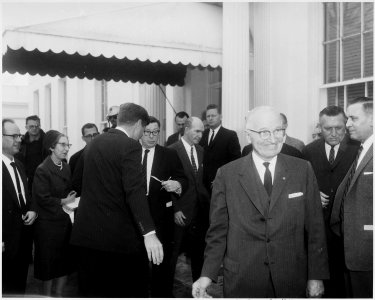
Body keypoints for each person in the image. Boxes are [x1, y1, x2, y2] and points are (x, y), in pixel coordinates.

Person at [193, 106, 329, 298]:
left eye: (278, 131)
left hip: (291, 278)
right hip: (243, 279)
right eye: (264, 132)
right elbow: (218, 231)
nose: (273, 139)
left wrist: (316, 276)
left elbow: (315, 228)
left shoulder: (302, 169)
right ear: (249, 135)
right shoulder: (227, 174)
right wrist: (207, 275)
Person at [70, 103, 163, 298]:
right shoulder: (130, 146)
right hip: (117, 244)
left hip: (86, 237)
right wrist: (149, 233)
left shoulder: (94, 142)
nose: (141, 136)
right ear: (138, 124)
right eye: (143, 131)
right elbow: (134, 191)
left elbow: (79, 182)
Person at [302, 106, 360, 297]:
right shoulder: (308, 151)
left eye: (339, 128)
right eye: (328, 129)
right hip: (319, 228)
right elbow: (299, 184)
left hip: (348, 228)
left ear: (346, 125)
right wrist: (311, 193)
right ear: (320, 127)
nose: (334, 133)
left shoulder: (358, 149)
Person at [140, 116, 188, 297]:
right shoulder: (130, 152)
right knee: (138, 267)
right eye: (148, 132)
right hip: (135, 219)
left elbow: (183, 178)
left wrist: (177, 184)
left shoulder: (168, 154)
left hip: (161, 219)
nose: (152, 136)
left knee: (162, 266)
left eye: (156, 132)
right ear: (140, 131)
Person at [330, 97, 373, 298]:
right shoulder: (361, 149)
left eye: (353, 119)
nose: (347, 125)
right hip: (352, 249)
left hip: (367, 253)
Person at [32, 130, 76, 297]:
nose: (66, 148)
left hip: (64, 223)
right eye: (62, 145)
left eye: (68, 145)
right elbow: (42, 198)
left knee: (63, 265)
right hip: (47, 227)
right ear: (51, 147)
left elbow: (67, 190)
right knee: (49, 269)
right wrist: (64, 201)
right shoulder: (42, 169)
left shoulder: (66, 166)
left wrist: (71, 198)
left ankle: (59, 296)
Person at [169, 117, 210, 283]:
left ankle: (198, 290)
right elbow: (167, 183)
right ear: (186, 129)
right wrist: (175, 209)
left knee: (199, 255)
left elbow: (200, 182)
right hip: (180, 213)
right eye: (197, 131)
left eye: (202, 132)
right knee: (173, 255)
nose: (200, 135)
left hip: (199, 213)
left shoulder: (201, 151)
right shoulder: (172, 150)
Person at [2, 118, 38, 296]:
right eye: (14, 135)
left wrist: (32, 209)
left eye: (19, 135)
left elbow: (26, 196)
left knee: (19, 288)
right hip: (5, 244)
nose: (19, 139)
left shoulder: (20, 165)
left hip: (23, 242)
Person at [199, 104, 241, 194]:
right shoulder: (202, 135)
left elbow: (236, 162)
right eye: (208, 116)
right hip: (203, 185)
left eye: (213, 116)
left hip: (222, 184)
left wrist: (222, 180)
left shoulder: (230, 135)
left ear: (220, 117)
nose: (210, 118)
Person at [15, 115, 48, 192]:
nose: (34, 128)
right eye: (31, 126)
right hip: (27, 180)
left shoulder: (47, 142)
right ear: (26, 127)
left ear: (39, 126)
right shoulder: (21, 142)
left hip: (44, 179)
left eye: (36, 126)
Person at [70, 123, 99, 196]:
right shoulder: (75, 158)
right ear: (83, 138)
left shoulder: (107, 154)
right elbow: (75, 185)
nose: (93, 138)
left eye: (95, 134)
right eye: (89, 136)